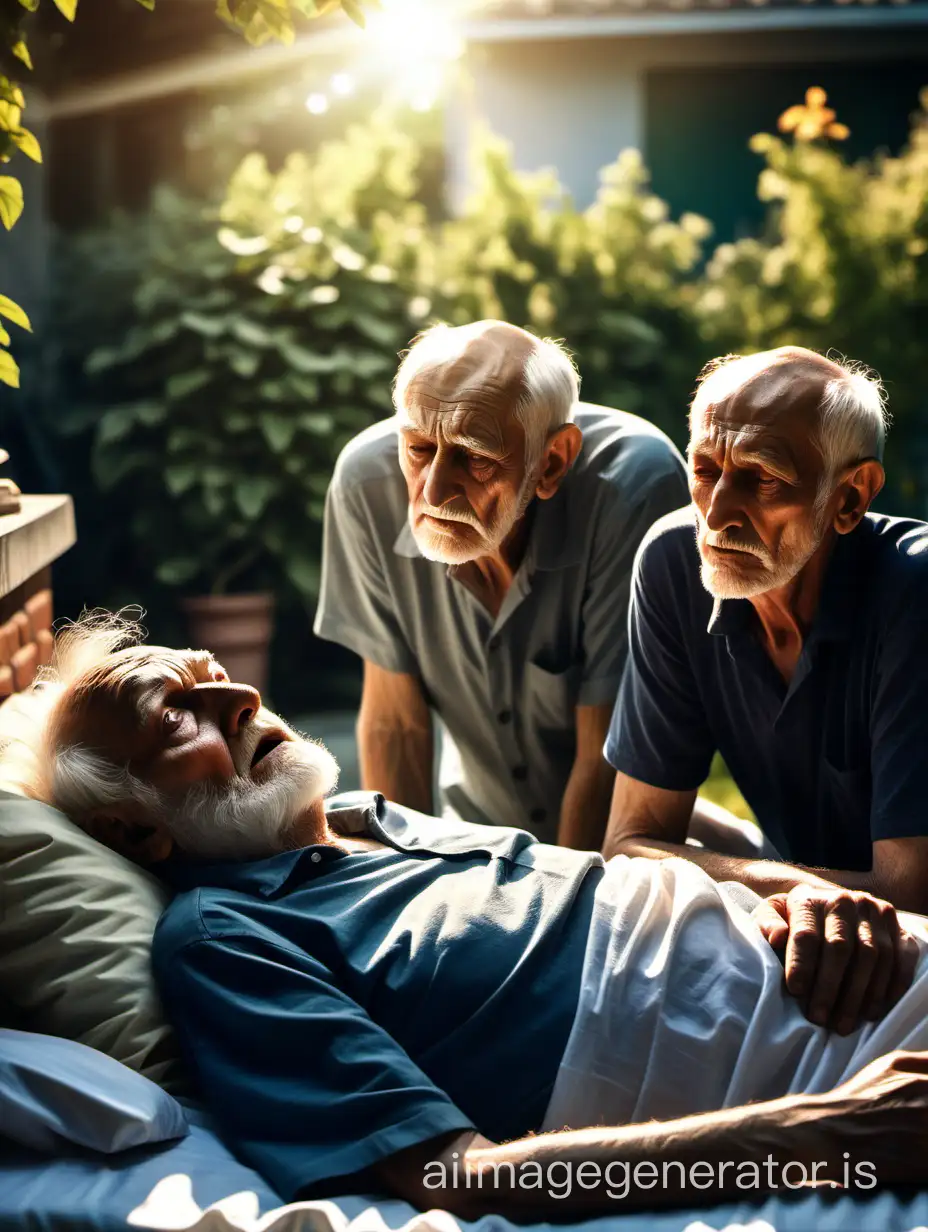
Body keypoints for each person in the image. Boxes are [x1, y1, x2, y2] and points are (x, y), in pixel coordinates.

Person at [9, 613, 928, 1220]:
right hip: (855, 1067)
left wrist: (792, 889)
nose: (241, 697)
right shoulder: (225, 938)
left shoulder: (380, 821)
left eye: (216, 676)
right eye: (179, 717)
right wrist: (826, 1140)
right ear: (134, 828)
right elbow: (455, 1176)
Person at [313, 319, 688, 848]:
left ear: (552, 461)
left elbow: (606, 750)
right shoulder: (365, 484)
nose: (435, 491)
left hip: (616, 847)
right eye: (419, 448)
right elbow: (395, 722)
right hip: (470, 833)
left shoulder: (631, 490)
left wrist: (558, 908)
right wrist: (403, 886)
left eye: (475, 457)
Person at [603, 346, 928, 924]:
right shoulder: (673, 563)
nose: (717, 512)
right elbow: (629, 847)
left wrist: (725, 878)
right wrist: (798, 891)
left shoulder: (915, 589)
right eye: (705, 470)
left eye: (763, 478)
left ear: (849, 498)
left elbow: (909, 893)